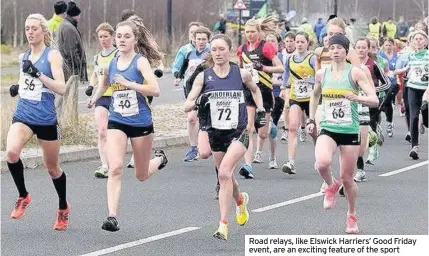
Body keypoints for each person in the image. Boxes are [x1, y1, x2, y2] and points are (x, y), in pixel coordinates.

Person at [87, 20, 168, 232]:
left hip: (141, 122)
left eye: (126, 36)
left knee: (141, 175)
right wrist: (94, 98)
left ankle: (159, 159)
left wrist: (130, 84)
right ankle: (112, 216)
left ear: (135, 40)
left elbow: (155, 89)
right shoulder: (111, 62)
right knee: (115, 168)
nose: (121, 40)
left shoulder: (140, 62)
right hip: (117, 120)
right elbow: (104, 84)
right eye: (119, 36)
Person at [184, 34, 266, 240]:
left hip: (238, 132)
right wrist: (200, 100)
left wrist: (261, 109)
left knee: (223, 174)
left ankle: (223, 224)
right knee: (226, 175)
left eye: (222, 49)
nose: (218, 53)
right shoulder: (204, 76)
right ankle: (240, 201)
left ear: (230, 50)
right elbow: (187, 104)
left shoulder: (241, 74)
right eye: (214, 50)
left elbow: (256, 91)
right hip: (215, 132)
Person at [307, 34, 379, 234]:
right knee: (321, 163)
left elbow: (374, 100)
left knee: (347, 179)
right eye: (332, 48)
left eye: (339, 48)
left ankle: (351, 214)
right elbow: (314, 95)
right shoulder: (322, 73)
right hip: (329, 127)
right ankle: (331, 185)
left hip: (349, 129)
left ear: (347, 51)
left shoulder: (355, 73)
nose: (335, 51)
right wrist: (312, 119)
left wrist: (358, 98)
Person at [6, 13, 68, 230]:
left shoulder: (52, 56)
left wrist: (39, 74)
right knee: (12, 153)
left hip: (46, 119)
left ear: (43, 31)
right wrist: (17, 88)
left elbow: (61, 88)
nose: (30, 32)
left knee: (52, 169)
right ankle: (23, 196)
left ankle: (62, 207)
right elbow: (27, 84)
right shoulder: (24, 56)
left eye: (34, 28)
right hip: (24, 114)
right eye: (27, 29)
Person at [237, 16, 285, 179]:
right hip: (249, 91)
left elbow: (280, 68)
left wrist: (263, 67)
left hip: (264, 92)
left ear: (258, 32)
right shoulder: (241, 49)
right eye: (247, 32)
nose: (249, 35)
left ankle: (271, 128)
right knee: (248, 128)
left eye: (252, 32)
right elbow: (240, 70)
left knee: (263, 134)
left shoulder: (266, 48)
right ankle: (248, 165)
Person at [85, 23, 118, 178]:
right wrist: (91, 86)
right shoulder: (97, 57)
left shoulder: (119, 54)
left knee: (117, 133)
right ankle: (105, 165)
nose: (103, 40)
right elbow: (95, 73)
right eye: (100, 37)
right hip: (102, 96)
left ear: (112, 36)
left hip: (118, 96)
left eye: (106, 36)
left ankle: (119, 160)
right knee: (102, 132)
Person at [281, 31, 316, 174]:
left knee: (314, 131)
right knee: (292, 128)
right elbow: (285, 75)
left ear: (307, 43)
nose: (299, 44)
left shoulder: (312, 58)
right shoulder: (290, 59)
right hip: (296, 96)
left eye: (302, 42)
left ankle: (319, 155)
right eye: (297, 42)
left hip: (311, 97)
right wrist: (284, 88)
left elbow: (320, 77)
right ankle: (291, 162)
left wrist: (310, 80)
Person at [172, 21, 205, 162]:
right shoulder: (185, 50)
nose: (195, 36)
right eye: (192, 33)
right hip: (190, 88)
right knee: (192, 118)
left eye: (198, 33)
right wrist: (177, 76)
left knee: (205, 118)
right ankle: (193, 147)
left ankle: (207, 144)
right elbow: (177, 66)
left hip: (208, 88)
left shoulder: (210, 50)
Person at [395, 30, 429, 160]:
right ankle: (414, 147)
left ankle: (424, 122)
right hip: (412, 88)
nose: (419, 41)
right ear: (413, 42)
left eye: (421, 39)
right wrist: (399, 70)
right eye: (416, 39)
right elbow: (399, 66)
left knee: (425, 114)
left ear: (426, 42)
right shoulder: (409, 55)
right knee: (413, 116)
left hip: (426, 89)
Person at [56, 0, 88, 118]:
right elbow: (71, 51)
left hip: (67, 68)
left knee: (67, 98)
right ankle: (64, 119)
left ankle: (66, 119)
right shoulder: (68, 28)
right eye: (79, 15)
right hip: (69, 70)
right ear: (76, 15)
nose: (80, 17)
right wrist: (77, 68)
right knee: (67, 98)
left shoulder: (66, 25)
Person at [379, 38, 400, 138]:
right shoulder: (380, 55)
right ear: (383, 46)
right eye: (386, 45)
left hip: (394, 83)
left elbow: (399, 68)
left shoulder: (397, 55)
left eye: (389, 45)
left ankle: (389, 122)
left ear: (393, 45)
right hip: (382, 83)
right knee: (388, 105)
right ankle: (389, 123)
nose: (388, 47)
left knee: (388, 103)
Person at [280, 32, 297, 142]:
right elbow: (284, 72)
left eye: (291, 41)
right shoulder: (281, 54)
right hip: (288, 84)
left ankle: (303, 127)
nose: (289, 43)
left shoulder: (298, 53)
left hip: (298, 83)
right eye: (287, 41)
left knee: (300, 109)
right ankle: (286, 130)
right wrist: (283, 86)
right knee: (286, 106)